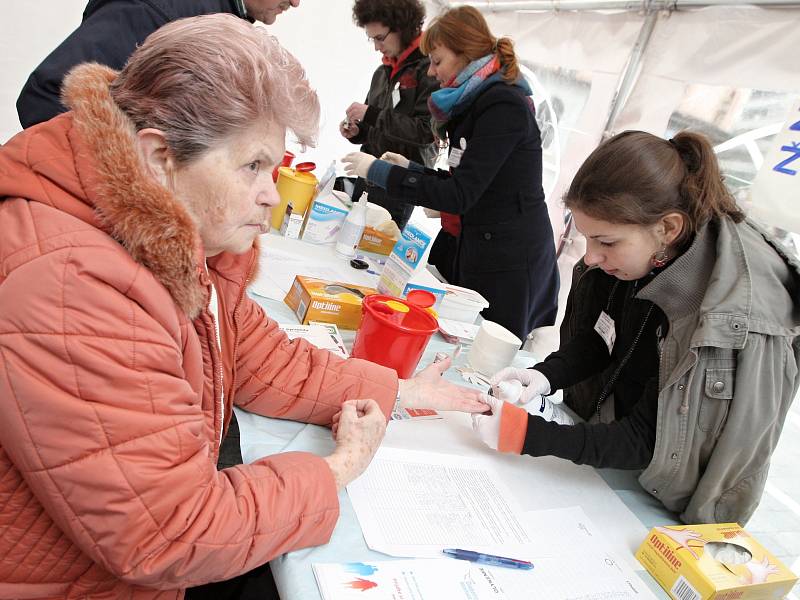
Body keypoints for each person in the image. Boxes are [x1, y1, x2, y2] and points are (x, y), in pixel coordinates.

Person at [0, 15, 487, 599]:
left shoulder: (175, 234)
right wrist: (337, 470)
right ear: (159, 158)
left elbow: (256, 354)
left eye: (275, 168)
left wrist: (398, 389)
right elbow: (171, 533)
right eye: (253, 166)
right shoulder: (73, 284)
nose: (272, 194)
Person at [472, 130, 800, 525]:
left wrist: (527, 434)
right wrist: (542, 376)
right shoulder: (637, 256)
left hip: (668, 495)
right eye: (586, 238)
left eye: (606, 242)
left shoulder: (721, 313)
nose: (591, 257)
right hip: (608, 443)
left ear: (668, 229)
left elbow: (649, 440)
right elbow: (599, 337)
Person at [343, 6, 559, 342]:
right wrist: (410, 168)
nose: (432, 71)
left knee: (482, 351)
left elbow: (461, 194)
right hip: (471, 243)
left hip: (507, 262)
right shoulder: (472, 103)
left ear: (466, 54)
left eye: (438, 61)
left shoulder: (503, 106)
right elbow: (463, 180)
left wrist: (382, 172)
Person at [16, 0, 301, 129]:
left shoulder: (221, 17)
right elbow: (48, 95)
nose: (296, 2)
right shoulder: (161, 7)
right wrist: (127, 185)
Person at [341, 0, 439, 230]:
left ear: (402, 27)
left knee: (371, 256)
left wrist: (372, 115)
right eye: (371, 38)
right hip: (367, 173)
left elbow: (427, 131)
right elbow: (373, 123)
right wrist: (357, 131)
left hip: (398, 183)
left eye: (380, 38)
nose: (376, 47)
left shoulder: (431, 70)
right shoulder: (382, 72)